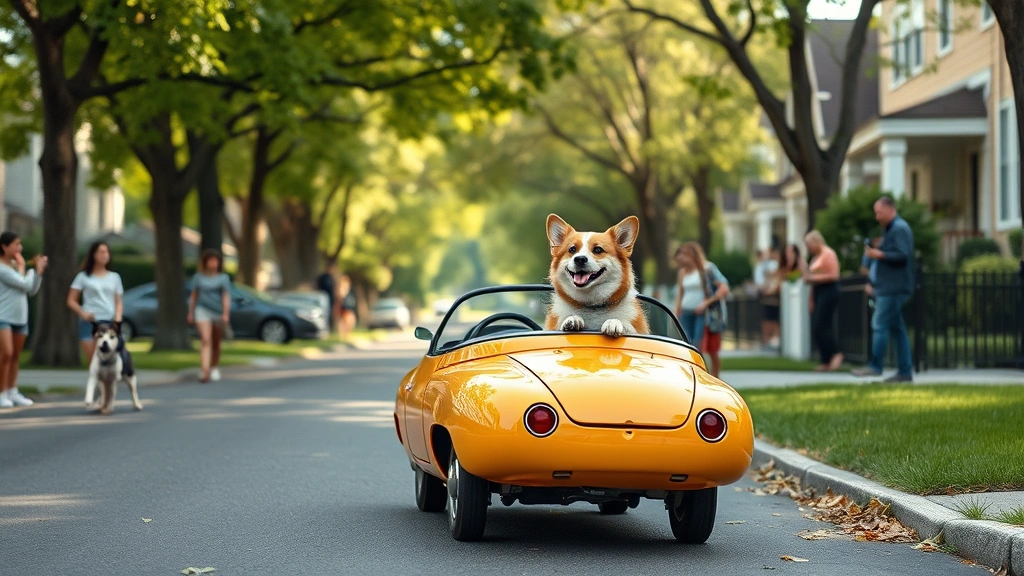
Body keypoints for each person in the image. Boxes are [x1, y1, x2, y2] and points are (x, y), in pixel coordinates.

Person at [853, 196, 916, 382]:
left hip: (894, 288)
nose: (877, 217)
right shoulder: (892, 229)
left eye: (879, 212)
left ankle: (875, 366)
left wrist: (879, 254)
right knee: (897, 329)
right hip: (888, 287)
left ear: (890, 209)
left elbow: (903, 255)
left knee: (879, 324)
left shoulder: (899, 229)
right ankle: (904, 372)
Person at [0, 232, 48, 408]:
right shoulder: (2, 268)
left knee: (15, 356)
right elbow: (25, 283)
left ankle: (12, 391)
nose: (19, 248)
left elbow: (31, 290)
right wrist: (30, 270)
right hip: (3, 316)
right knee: (6, 353)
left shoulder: (14, 266)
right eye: (16, 244)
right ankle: (1, 392)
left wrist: (38, 273)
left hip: (20, 317)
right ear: (4, 246)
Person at [672, 242, 730, 377]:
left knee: (699, 344)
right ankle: (695, 375)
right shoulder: (682, 273)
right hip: (686, 313)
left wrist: (706, 303)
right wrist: (676, 311)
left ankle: (712, 376)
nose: (680, 258)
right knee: (687, 345)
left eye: (683, 254)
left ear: (693, 255)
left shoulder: (707, 269)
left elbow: (724, 287)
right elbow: (681, 293)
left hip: (702, 313)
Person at [67, 241, 126, 363]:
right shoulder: (83, 277)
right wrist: (82, 313)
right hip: (90, 321)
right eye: (102, 252)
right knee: (93, 360)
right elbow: (71, 300)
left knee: (107, 360)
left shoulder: (114, 277)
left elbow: (118, 301)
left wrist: (118, 319)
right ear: (94, 255)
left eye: (107, 252)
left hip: (108, 321)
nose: (105, 255)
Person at [187, 249, 232, 383]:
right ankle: (204, 370)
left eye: (215, 261)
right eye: (210, 260)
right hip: (202, 309)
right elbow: (194, 296)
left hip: (217, 311)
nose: (213, 263)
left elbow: (226, 296)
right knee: (206, 339)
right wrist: (191, 312)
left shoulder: (223, 278)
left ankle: (214, 367)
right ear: (205, 262)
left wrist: (225, 313)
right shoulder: (198, 278)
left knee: (216, 342)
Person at [803, 230, 844, 371]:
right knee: (818, 326)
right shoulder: (815, 258)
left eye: (809, 245)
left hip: (830, 291)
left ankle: (836, 353)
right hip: (819, 292)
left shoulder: (828, 254)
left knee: (822, 325)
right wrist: (811, 300)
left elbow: (834, 275)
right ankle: (825, 360)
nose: (809, 248)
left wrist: (811, 278)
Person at [758, 247, 781, 349]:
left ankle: (774, 340)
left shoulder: (775, 265)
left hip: (774, 299)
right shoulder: (762, 266)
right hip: (765, 298)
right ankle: (767, 340)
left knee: (774, 320)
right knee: (766, 320)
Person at [316, 262, 338, 331]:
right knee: (325, 313)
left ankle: (329, 328)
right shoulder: (323, 277)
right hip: (324, 297)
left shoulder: (332, 278)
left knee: (330, 314)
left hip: (331, 298)